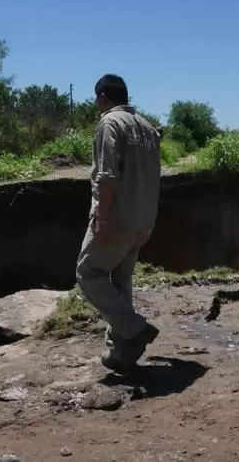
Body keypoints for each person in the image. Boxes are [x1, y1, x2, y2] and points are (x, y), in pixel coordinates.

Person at [76, 74, 161, 372]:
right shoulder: (149, 128)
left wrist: (102, 217)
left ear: (102, 97)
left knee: (88, 273)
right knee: (120, 280)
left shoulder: (110, 123)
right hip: (144, 219)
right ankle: (120, 351)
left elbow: (107, 176)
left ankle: (135, 328)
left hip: (118, 218)